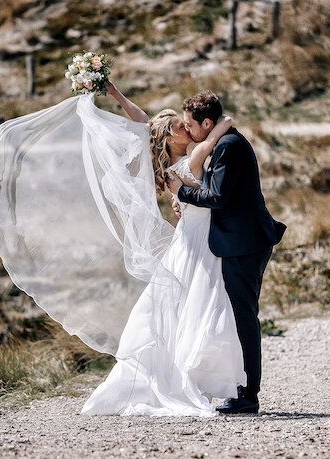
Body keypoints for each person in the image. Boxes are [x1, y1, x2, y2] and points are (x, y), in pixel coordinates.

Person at [80, 82, 247, 416]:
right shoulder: (192, 158)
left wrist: (113, 91)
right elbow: (211, 138)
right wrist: (223, 122)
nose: (187, 127)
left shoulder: (174, 162)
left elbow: (144, 122)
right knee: (200, 306)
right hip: (198, 240)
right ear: (170, 139)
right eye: (180, 126)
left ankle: (186, 374)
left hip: (189, 238)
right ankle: (191, 377)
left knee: (183, 308)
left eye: (186, 123)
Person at [167, 91, 286, 414]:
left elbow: (218, 197)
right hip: (240, 241)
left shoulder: (228, 146)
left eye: (191, 125)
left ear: (208, 123)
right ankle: (238, 388)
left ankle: (248, 395)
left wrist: (183, 192)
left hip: (244, 243)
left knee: (243, 317)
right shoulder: (223, 142)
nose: (187, 130)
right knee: (237, 316)